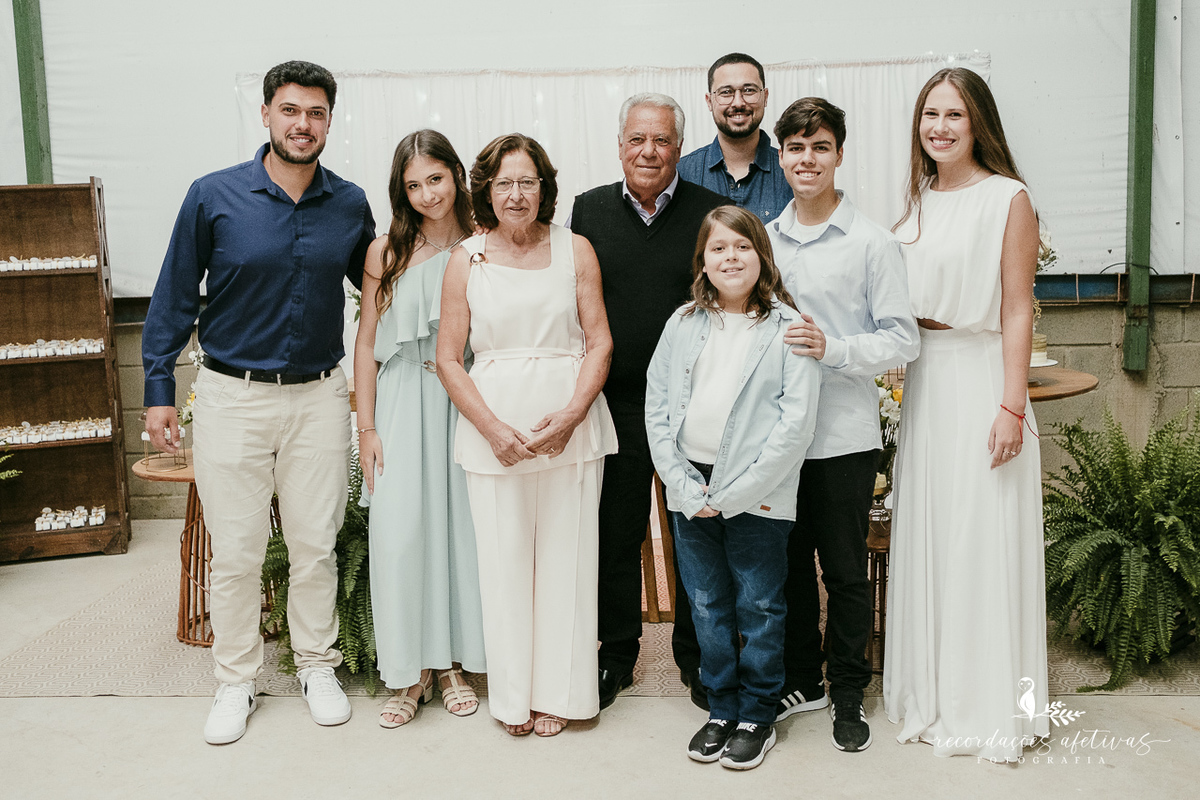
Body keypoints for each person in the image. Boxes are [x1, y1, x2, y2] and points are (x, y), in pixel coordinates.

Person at [142, 60, 375, 745]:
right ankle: (236, 681)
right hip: (230, 397)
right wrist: (158, 389)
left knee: (314, 544)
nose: (304, 124)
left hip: (320, 398)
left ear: (330, 121)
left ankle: (317, 666)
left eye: (317, 113)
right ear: (267, 116)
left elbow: (383, 284)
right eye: (291, 111)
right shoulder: (212, 195)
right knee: (239, 552)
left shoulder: (352, 203)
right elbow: (174, 295)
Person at [884, 67, 1048, 761]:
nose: (940, 127)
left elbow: (1016, 307)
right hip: (927, 383)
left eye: (954, 114)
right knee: (931, 536)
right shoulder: (916, 199)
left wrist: (1012, 406)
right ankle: (931, 692)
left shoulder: (1008, 199)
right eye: (930, 115)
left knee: (980, 542)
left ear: (978, 121)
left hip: (981, 380)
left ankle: (986, 705)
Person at [436, 133, 618, 738]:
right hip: (495, 432)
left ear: (545, 187)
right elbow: (448, 359)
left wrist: (571, 415)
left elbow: (599, 341)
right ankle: (512, 698)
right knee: (505, 563)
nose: (517, 194)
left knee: (568, 562)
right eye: (505, 182)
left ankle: (562, 696)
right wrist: (491, 429)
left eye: (528, 182)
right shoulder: (467, 257)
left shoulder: (577, 248)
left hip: (571, 427)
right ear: (487, 189)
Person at [766, 97, 919, 752]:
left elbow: (903, 339)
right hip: (777, 439)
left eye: (819, 146)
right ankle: (804, 679)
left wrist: (836, 348)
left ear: (839, 154)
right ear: (782, 157)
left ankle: (850, 688)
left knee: (846, 572)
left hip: (843, 434)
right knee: (790, 567)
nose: (808, 159)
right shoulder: (762, 238)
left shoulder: (872, 242)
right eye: (796, 148)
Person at [647, 206, 820, 770]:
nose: (730, 257)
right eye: (718, 248)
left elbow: (794, 428)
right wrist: (683, 484)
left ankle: (758, 714)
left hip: (759, 495)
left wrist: (737, 493)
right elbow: (658, 407)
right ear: (703, 260)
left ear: (761, 257)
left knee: (761, 605)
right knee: (706, 605)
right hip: (690, 490)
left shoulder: (788, 328)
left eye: (742, 247)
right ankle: (721, 707)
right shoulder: (683, 323)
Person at [570, 93, 727, 711]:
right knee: (616, 535)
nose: (649, 151)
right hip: (614, 404)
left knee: (693, 533)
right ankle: (616, 656)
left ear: (679, 149)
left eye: (661, 140)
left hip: (692, 409)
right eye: (637, 138)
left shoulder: (711, 211)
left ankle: (698, 658)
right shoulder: (588, 210)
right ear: (620, 144)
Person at [354, 130, 486, 728]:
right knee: (400, 533)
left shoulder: (485, 244)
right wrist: (366, 425)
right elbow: (364, 345)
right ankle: (409, 672)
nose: (428, 193)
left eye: (436, 178)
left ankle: (453, 662)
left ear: (456, 174)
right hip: (405, 399)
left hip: (467, 398)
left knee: (462, 531)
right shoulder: (385, 252)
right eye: (413, 185)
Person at [677, 53, 792, 223]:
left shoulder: (791, 172)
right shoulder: (682, 173)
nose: (738, 103)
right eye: (726, 92)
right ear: (709, 101)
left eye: (749, 91)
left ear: (765, 97)